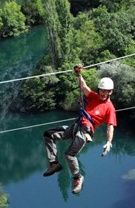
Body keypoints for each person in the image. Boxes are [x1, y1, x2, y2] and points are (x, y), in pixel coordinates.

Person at [43, 66, 117, 194]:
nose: (103, 93)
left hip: (85, 132)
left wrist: (109, 142)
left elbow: (110, 126)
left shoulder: (110, 108)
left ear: (111, 92)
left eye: (107, 91)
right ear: (99, 90)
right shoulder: (94, 97)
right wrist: (78, 75)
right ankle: (54, 164)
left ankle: (78, 177)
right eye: (102, 90)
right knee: (48, 135)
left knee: (69, 155)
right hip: (76, 127)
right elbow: (84, 87)